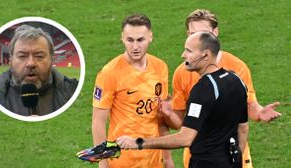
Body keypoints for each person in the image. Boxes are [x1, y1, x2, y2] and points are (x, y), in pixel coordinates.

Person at [160, 9, 282, 168]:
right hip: (199, 157)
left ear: (215, 32)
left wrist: (259, 113)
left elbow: (249, 106)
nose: (197, 38)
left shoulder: (237, 67)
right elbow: (182, 123)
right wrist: (169, 115)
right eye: (191, 34)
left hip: (233, 153)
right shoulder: (182, 72)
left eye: (202, 33)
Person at [117, 31, 249, 168]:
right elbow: (243, 128)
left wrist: (138, 143)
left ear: (206, 55)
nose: (183, 55)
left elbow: (185, 138)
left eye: (189, 51)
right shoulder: (237, 80)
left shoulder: (202, 90)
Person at [92, 14, 172, 168]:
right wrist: (103, 163)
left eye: (140, 40)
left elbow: (161, 118)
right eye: (130, 40)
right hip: (123, 160)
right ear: (122, 38)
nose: (135, 47)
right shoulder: (109, 73)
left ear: (150, 37)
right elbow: (98, 122)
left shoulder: (160, 67)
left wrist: (167, 158)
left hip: (153, 159)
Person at [0, 25, 78, 116]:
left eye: (39, 56)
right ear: (10, 61)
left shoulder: (74, 92)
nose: (30, 63)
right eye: (22, 56)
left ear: (52, 60)